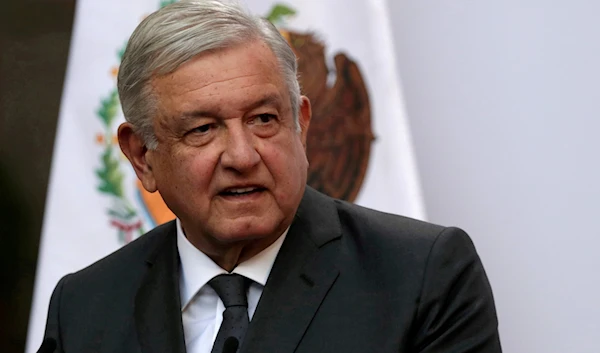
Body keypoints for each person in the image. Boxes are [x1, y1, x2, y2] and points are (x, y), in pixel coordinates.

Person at [42, 1, 502, 352]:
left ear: (300, 124)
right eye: (202, 129)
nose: (242, 156)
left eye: (263, 119)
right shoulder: (84, 307)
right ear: (142, 155)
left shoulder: (420, 276)